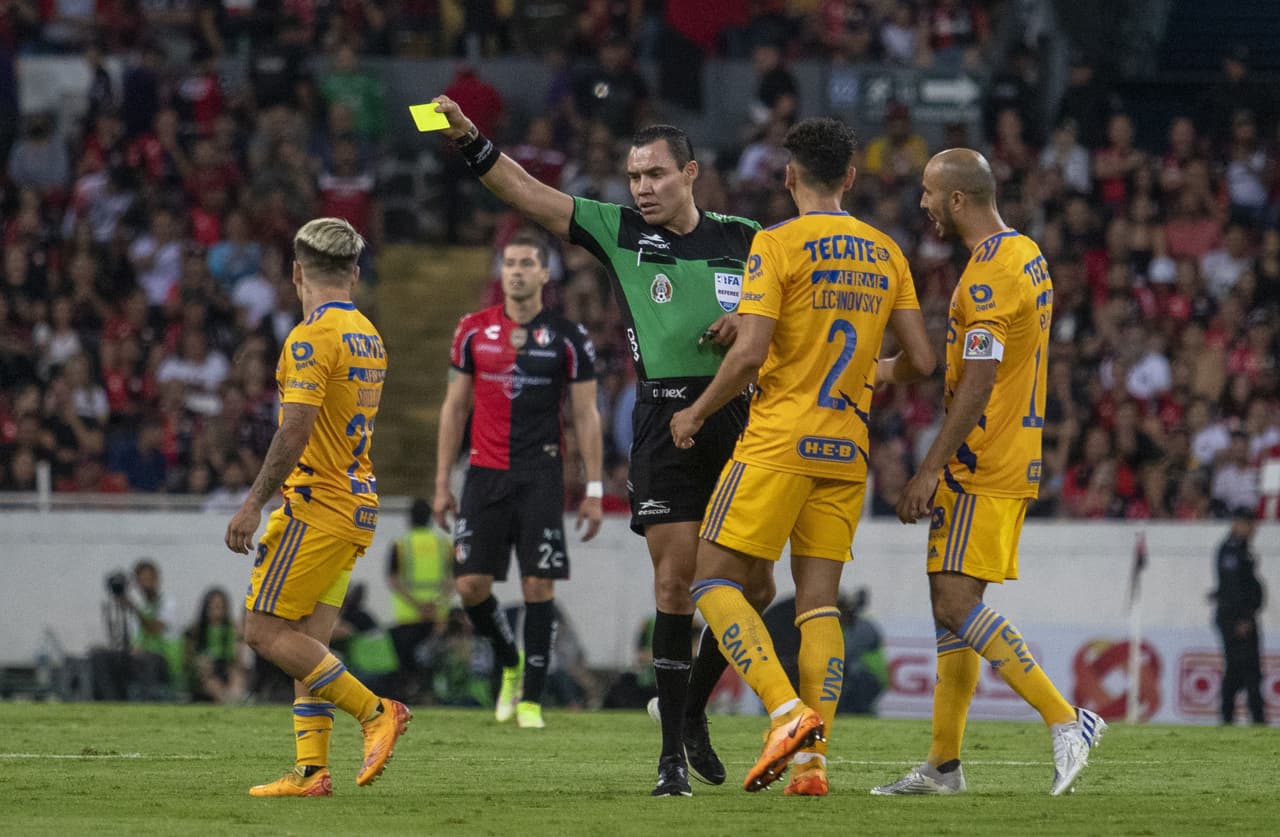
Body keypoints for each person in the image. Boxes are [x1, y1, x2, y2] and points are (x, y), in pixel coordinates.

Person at [429, 95, 774, 796]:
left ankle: (694, 710)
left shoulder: (747, 236)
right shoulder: (617, 230)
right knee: (676, 586)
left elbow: (789, 319)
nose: (641, 187)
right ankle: (670, 756)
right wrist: (470, 140)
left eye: (654, 174)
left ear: (691, 173)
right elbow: (528, 193)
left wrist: (748, 321)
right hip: (665, 417)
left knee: (757, 587)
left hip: (744, 420)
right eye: (633, 175)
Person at [673, 116, 936, 796]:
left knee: (711, 580)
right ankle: (814, 765)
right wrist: (871, 374)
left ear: (789, 176)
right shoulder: (886, 250)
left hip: (777, 440)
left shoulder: (775, 243)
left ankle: (787, 712)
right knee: (819, 603)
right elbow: (924, 359)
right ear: (850, 177)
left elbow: (752, 352)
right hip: (846, 450)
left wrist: (697, 412)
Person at [872, 149, 1106, 798]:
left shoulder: (988, 278)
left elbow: (978, 384)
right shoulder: (1022, 252)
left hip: (980, 463)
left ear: (957, 200)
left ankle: (1068, 717)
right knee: (950, 611)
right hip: (1003, 454)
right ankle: (944, 765)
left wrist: (928, 469)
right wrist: (882, 371)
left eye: (927, 193)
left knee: (954, 602)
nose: (920, 204)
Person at [224, 217, 410, 799]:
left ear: (297, 272)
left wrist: (253, 504)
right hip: (355, 503)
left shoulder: (309, 338)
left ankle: (376, 711)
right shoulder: (369, 334)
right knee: (309, 645)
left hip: (317, 503)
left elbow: (294, 430)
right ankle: (310, 771)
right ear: (354, 273)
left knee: (262, 630)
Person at [433, 231, 603, 730]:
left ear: (545, 274)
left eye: (528, 263)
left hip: (540, 474)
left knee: (537, 585)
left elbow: (587, 415)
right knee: (469, 585)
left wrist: (593, 490)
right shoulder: (471, 331)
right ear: (500, 272)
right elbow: (454, 408)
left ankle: (530, 699)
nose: (517, 271)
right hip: (483, 472)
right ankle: (509, 658)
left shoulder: (569, 337)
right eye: (510, 263)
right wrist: (442, 481)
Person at [386, 497, 454, 702]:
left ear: (410, 519)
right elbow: (454, 579)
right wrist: (436, 603)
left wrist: (418, 605)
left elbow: (394, 580)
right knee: (437, 660)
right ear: (430, 519)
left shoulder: (401, 544)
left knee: (408, 663)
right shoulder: (444, 544)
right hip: (438, 616)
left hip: (408, 616)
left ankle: (411, 695)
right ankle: (436, 695)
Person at [91, 558, 181, 701]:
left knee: (147, 661)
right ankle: (111, 702)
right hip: (137, 657)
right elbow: (123, 639)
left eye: (149, 579)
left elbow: (155, 628)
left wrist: (133, 608)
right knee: (99, 655)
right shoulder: (137, 604)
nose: (146, 584)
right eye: (141, 580)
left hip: (162, 660)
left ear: (157, 580)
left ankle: (149, 701)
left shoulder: (168, 603)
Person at [1213, 506, 1266, 725]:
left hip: (1243, 617)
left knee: (1244, 670)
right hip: (1235, 619)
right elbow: (1234, 588)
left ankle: (1238, 718)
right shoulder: (1230, 550)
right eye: (1249, 524)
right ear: (1238, 524)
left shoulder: (1242, 549)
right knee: (1242, 670)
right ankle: (1242, 718)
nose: (1252, 529)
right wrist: (1242, 618)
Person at [183, 587, 246, 704]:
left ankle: (236, 701)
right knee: (212, 682)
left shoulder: (232, 629)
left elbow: (237, 660)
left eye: (221, 607)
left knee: (236, 677)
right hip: (204, 672)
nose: (217, 611)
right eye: (214, 607)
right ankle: (225, 702)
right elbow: (188, 659)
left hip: (225, 667)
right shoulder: (196, 630)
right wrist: (199, 663)